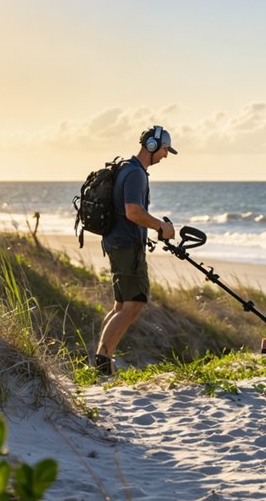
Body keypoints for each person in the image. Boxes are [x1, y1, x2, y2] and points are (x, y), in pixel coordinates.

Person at [94, 125, 177, 377]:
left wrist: (152, 228)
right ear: (151, 146)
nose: (164, 155)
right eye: (164, 150)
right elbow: (133, 212)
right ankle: (102, 362)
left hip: (118, 243)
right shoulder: (136, 174)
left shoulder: (128, 170)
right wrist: (162, 226)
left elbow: (130, 214)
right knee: (134, 304)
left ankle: (103, 362)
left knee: (122, 305)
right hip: (126, 247)